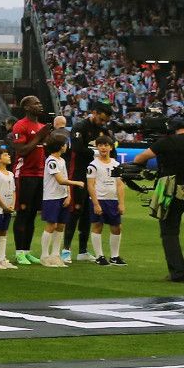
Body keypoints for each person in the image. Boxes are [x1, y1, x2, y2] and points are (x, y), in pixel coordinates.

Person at [131, 113, 184, 283]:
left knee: (170, 232)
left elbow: (140, 158)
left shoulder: (166, 142)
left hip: (170, 191)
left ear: (171, 129)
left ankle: (177, 273)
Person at [67, 100, 113, 262]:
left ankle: (82, 251)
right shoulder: (80, 127)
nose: (103, 123)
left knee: (88, 212)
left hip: (95, 177)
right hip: (78, 174)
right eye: (101, 119)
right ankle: (66, 250)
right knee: (75, 211)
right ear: (93, 113)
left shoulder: (104, 131)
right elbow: (77, 148)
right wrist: (97, 152)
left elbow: (111, 151)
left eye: (105, 121)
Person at [7, 95, 50, 265]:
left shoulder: (40, 126)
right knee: (23, 213)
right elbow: (22, 150)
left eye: (40, 102)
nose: (40, 105)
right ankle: (19, 252)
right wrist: (39, 136)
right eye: (36, 103)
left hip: (40, 173)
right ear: (26, 107)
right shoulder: (21, 125)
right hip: (25, 173)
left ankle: (27, 250)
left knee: (32, 214)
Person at [39, 134, 80, 268]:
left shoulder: (61, 160)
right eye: (65, 144)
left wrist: (68, 194)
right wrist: (77, 183)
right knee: (51, 225)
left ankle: (55, 255)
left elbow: (65, 178)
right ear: (60, 146)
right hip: (51, 197)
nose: (66, 146)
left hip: (62, 196)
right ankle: (44, 256)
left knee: (61, 225)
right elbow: (60, 180)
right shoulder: (51, 161)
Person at [87, 137, 124, 265]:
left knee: (117, 227)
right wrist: (96, 203)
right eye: (100, 145)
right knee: (97, 225)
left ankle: (115, 256)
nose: (103, 147)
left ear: (111, 147)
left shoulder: (116, 164)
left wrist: (121, 203)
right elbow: (90, 185)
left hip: (113, 200)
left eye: (106, 145)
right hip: (99, 199)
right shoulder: (93, 165)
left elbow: (120, 185)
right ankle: (99, 256)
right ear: (97, 147)